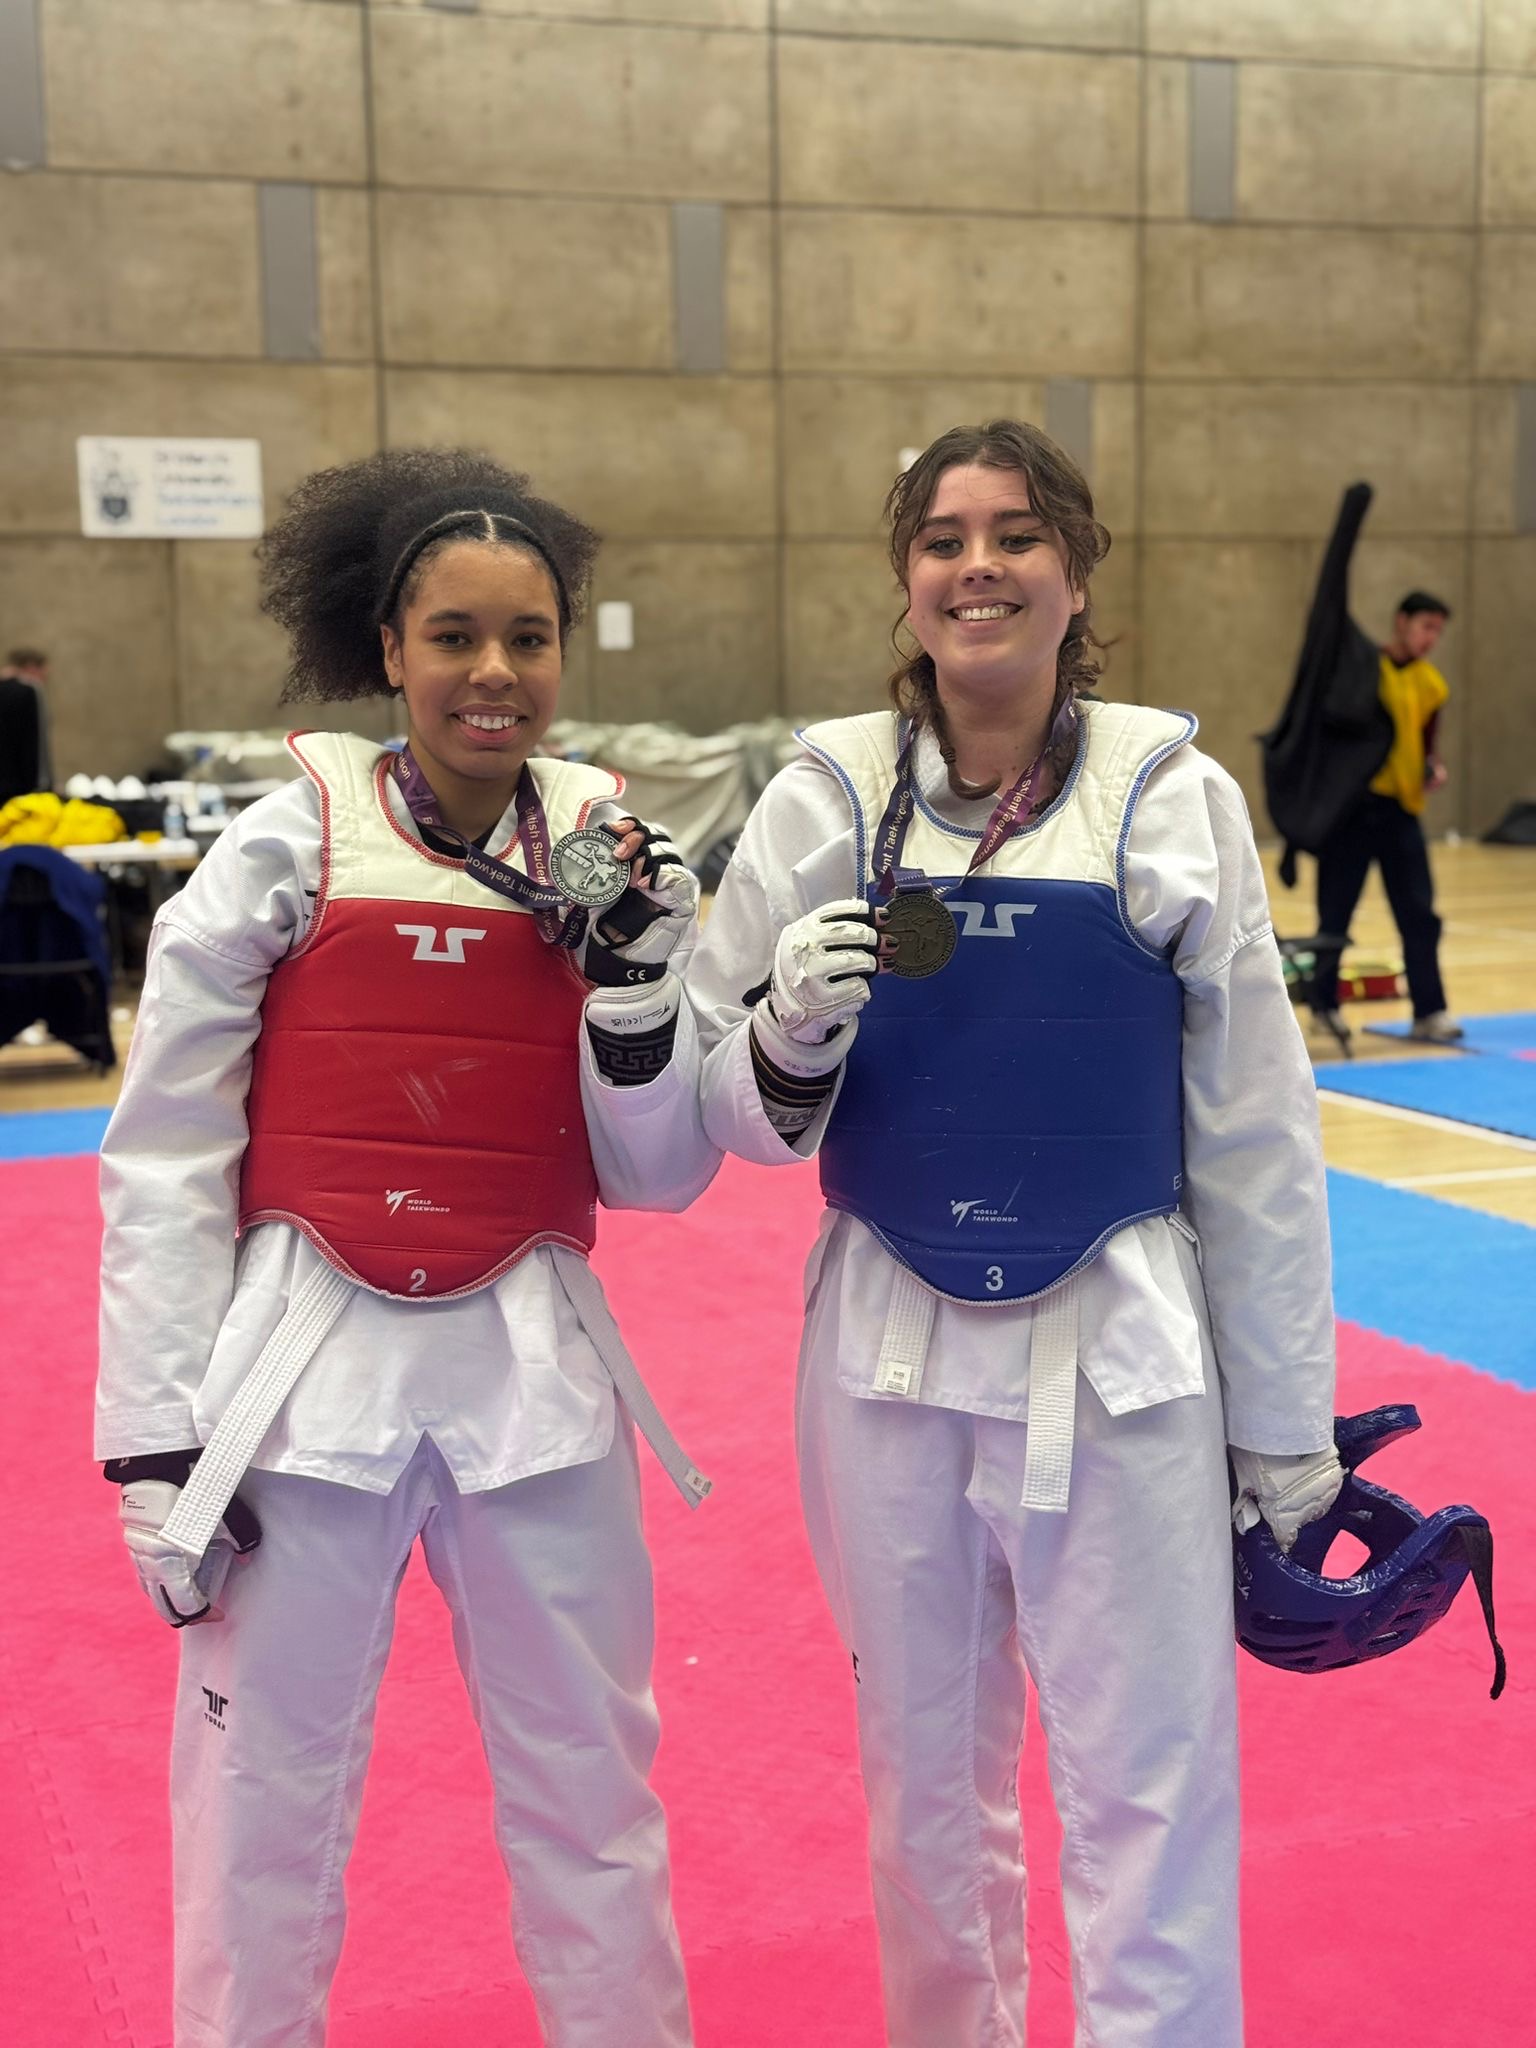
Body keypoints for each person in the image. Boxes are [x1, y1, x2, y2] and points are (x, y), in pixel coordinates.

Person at [686, 420, 1343, 2047]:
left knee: (1149, 1790)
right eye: (942, 537)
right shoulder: (820, 795)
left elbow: (1257, 1134)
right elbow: (691, 1113)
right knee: (922, 1792)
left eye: (1014, 534)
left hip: (1123, 1353)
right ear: (904, 578)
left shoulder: (1174, 797)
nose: (976, 565)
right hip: (884, 1353)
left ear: (1074, 570)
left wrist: (1289, 1432)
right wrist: (781, 1043)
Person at [95, 449, 716, 2048]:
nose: (494, 674)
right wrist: (156, 1437)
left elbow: (653, 1183)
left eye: (529, 638)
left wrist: (640, 1001)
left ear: (566, 653)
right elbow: (166, 1150)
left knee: (595, 1797)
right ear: (389, 647)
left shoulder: (610, 852)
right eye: (455, 636)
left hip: (537, 1383)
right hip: (301, 1397)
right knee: (259, 1814)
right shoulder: (283, 843)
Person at [1310, 591, 1462, 1044]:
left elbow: (1425, 743)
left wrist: (1431, 768)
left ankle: (1429, 1012)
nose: (1430, 638)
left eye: (1438, 630)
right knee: (1334, 914)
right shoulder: (1363, 670)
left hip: (1400, 813)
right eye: (1425, 626)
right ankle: (1323, 1005)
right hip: (1353, 813)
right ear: (1401, 622)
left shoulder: (1431, 684)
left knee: (1419, 915)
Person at [0, 645, 50, 804]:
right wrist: (43, 787)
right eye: (43, 672)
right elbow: (36, 744)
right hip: (18, 790)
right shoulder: (29, 690)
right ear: (31, 667)